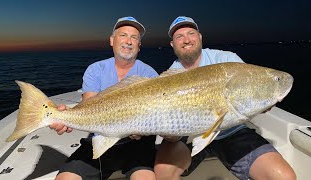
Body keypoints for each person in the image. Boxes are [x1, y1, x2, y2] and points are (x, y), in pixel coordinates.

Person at [154, 16, 297, 180]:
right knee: (163, 174)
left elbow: (248, 93)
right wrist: (170, 132)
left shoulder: (227, 60)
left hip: (232, 132)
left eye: (191, 33)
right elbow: (173, 133)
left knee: (283, 177)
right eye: (179, 36)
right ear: (173, 44)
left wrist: (266, 99)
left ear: (200, 37)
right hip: (189, 134)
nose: (186, 40)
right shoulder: (168, 78)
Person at [50, 16, 159, 180]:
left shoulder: (149, 74)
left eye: (134, 37)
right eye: (123, 35)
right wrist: (65, 117)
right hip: (100, 140)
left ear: (139, 45)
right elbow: (89, 105)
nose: (128, 41)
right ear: (112, 40)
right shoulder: (95, 69)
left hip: (137, 144)